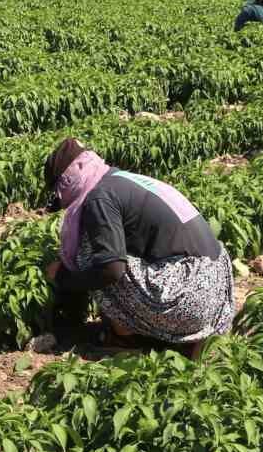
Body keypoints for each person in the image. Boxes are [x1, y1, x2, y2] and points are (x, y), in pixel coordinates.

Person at [41, 138, 235, 353]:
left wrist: (62, 277)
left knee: (89, 252)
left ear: (67, 182)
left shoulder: (98, 198)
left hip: (191, 301)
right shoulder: (121, 179)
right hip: (216, 293)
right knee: (110, 247)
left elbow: (111, 271)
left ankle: (126, 335)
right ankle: (167, 333)